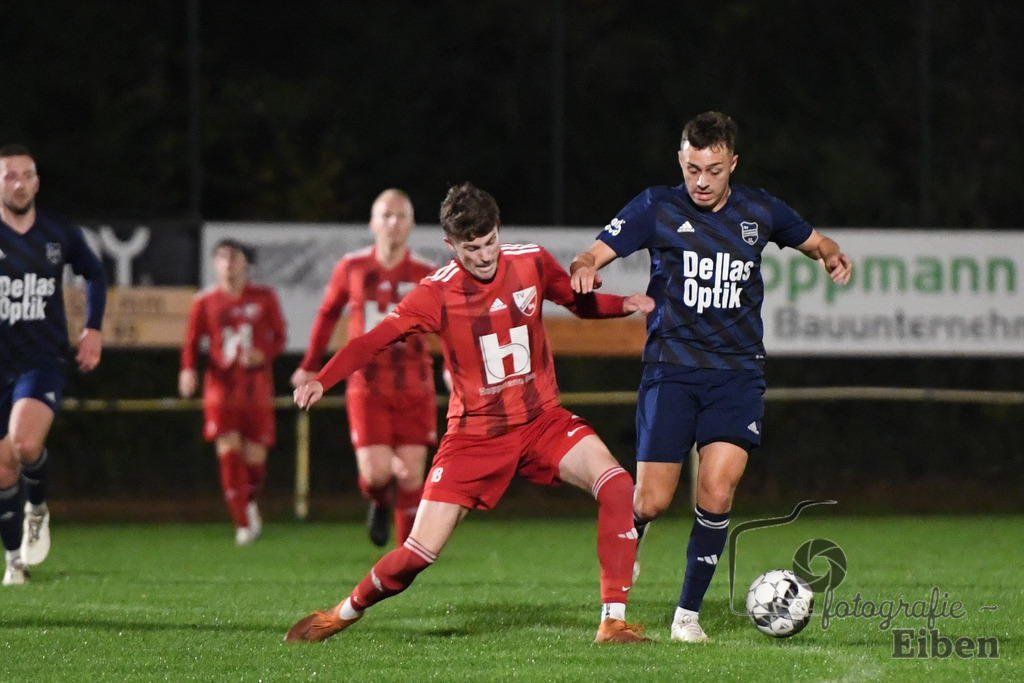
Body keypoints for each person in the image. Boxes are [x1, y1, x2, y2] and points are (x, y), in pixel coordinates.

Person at [286, 182, 655, 644]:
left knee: (618, 484)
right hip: (475, 437)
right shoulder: (435, 293)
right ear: (451, 245)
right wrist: (324, 376)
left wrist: (624, 305)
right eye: (470, 248)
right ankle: (342, 613)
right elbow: (371, 340)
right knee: (418, 554)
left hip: (541, 420)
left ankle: (612, 622)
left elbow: (574, 301)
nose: (483, 256)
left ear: (498, 230)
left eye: (489, 243)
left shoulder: (531, 260)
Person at [570, 111, 853, 642]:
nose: (701, 181)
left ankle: (687, 617)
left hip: (736, 375)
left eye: (714, 169)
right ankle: (638, 533)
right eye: (693, 167)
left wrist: (832, 255)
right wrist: (586, 265)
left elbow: (815, 241)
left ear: (733, 165)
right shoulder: (657, 205)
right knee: (651, 499)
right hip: (671, 371)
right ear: (681, 160)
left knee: (717, 490)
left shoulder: (760, 209)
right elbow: (594, 251)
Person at [290, 189, 438, 548]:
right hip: (367, 384)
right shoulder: (352, 267)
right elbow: (327, 314)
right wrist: (311, 365)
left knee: (411, 475)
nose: (393, 223)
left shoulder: (427, 273)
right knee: (377, 474)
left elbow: (446, 324)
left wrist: (455, 366)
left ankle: (405, 563)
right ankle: (377, 500)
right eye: (385, 215)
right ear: (373, 223)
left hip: (414, 383)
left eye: (401, 215)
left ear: (412, 224)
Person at [0, 144, 107, 586]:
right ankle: (14, 561)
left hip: (40, 361)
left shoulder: (57, 233)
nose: (19, 183)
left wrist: (93, 328)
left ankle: (38, 507)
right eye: (9, 176)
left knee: (25, 446)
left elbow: (95, 274)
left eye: (26, 175)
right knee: (3, 467)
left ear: (37, 182)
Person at [179, 238, 286, 546]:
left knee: (255, 461)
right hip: (220, 390)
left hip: (256, 390)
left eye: (234, 257)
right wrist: (188, 371)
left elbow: (279, 337)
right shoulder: (205, 301)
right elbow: (191, 342)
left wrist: (262, 353)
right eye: (222, 258)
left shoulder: (264, 297)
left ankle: (249, 504)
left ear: (245, 263)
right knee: (228, 452)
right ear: (215, 264)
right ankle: (241, 523)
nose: (228, 263)